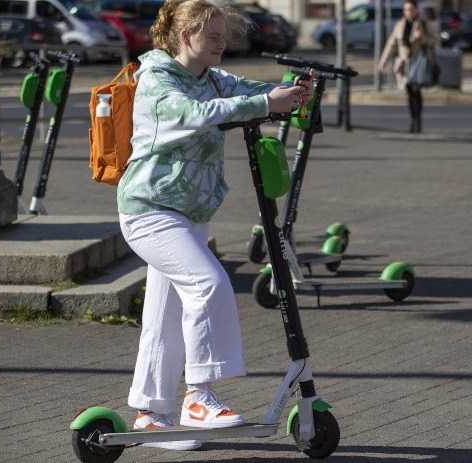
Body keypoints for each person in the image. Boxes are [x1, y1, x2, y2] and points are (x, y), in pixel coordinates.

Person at [116, 0, 313, 451]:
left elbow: (244, 89)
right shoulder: (158, 80)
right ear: (185, 37)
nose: (222, 43)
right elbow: (192, 114)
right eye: (213, 36)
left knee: (163, 314)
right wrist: (264, 101)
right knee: (208, 285)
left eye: (224, 36)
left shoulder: (211, 77)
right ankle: (199, 398)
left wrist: (291, 91)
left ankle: (151, 414)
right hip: (150, 209)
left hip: (190, 213)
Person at [378, 0, 438, 133]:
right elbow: (391, 44)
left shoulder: (423, 24)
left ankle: (417, 121)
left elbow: (435, 41)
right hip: (405, 65)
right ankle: (413, 120)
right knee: (410, 92)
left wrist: (423, 38)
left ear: (416, 10)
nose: (408, 12)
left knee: (416, 91)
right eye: (406, 9)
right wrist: (383, 61)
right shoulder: (400, 25)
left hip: (419, 63)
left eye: (411, 9)